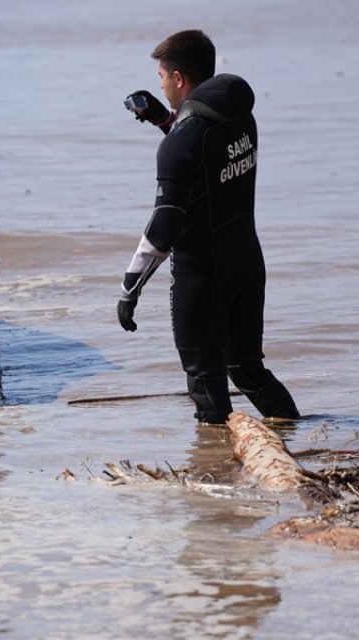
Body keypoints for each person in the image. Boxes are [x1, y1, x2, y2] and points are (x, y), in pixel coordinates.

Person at [116, 30, 299, 425]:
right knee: (249, 371)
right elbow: (208, 165)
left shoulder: (180, 144)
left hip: (202, 276)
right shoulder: (241, 119)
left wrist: (129, 288)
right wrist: (168, 121)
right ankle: (297, 439)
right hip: (246, 264)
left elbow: (166, 222)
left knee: (205, 387)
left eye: (163, 77)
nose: (161, 85)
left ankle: (215, 480)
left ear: (178, 78)